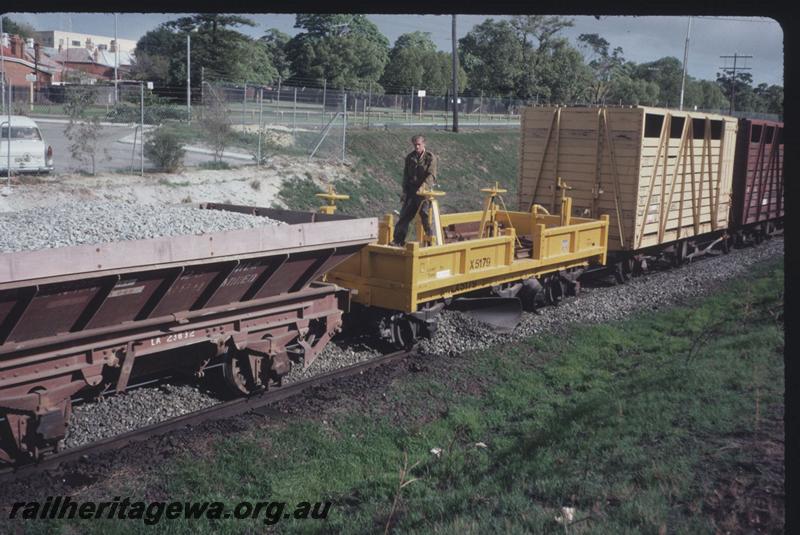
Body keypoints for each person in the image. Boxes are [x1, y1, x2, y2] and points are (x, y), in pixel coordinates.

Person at [391, 135, 438, 246]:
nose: (417, 147)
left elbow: (431, 175)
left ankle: (431, 240)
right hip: (412, 192)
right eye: (415, 145)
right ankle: (398, 240)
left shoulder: (430, 158)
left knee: (425, 217)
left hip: (424, 193)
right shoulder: (410, 158)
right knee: (404, 216)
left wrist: (424, 187)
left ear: (424, 144)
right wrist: (404, 191)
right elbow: (406, 176)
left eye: (419, 144)